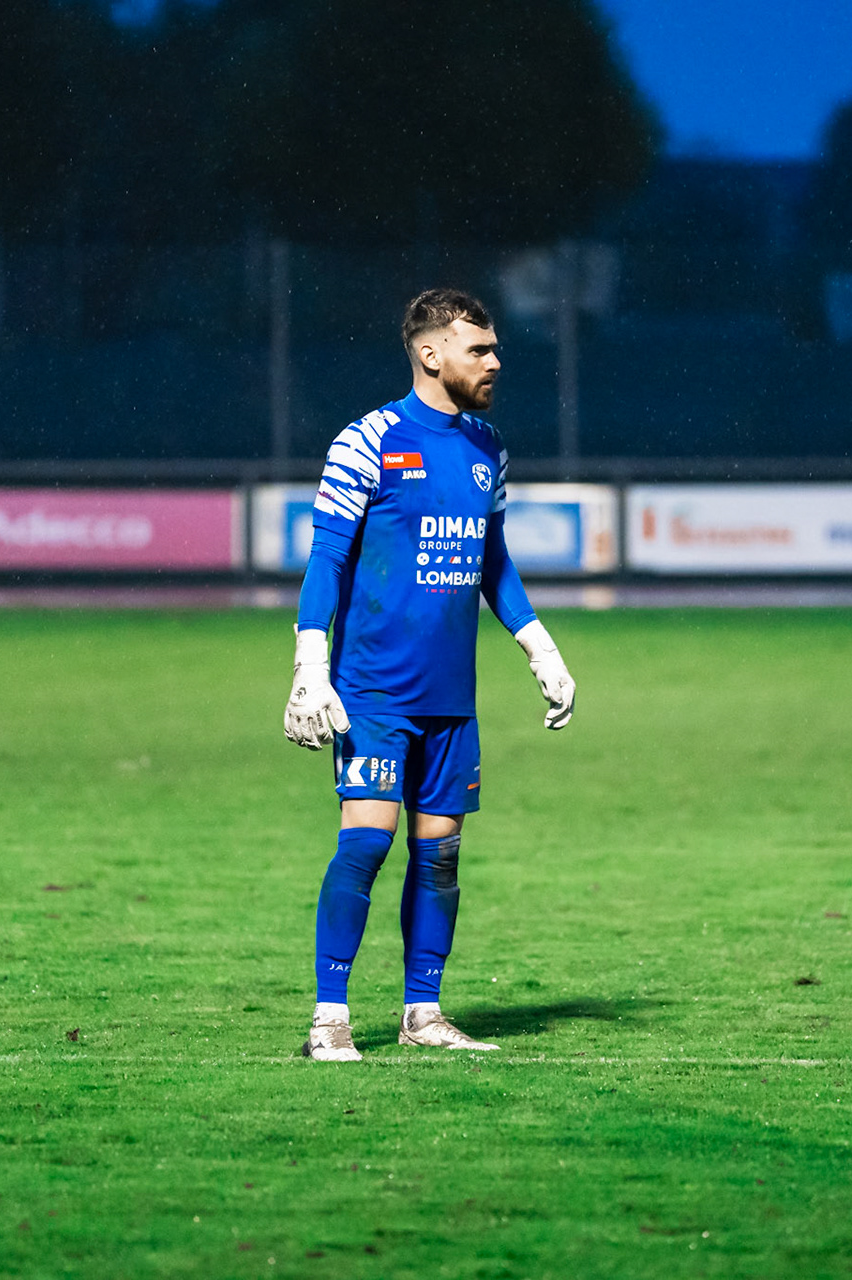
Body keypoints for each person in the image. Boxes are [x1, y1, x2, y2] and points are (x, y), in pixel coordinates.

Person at [284, 288, 576, 1062]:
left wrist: (540, 648)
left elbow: (493, 561)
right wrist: (310, 667)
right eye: (479, 349)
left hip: (452, 697)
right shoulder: (367, 441)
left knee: (440, 852)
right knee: (366, 844)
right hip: (375, 691)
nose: (494, 362)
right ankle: (329, 1020)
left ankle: (424, 1013)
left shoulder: (487, 445)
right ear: (430, 352)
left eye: (493, 348)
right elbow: (328, 558)